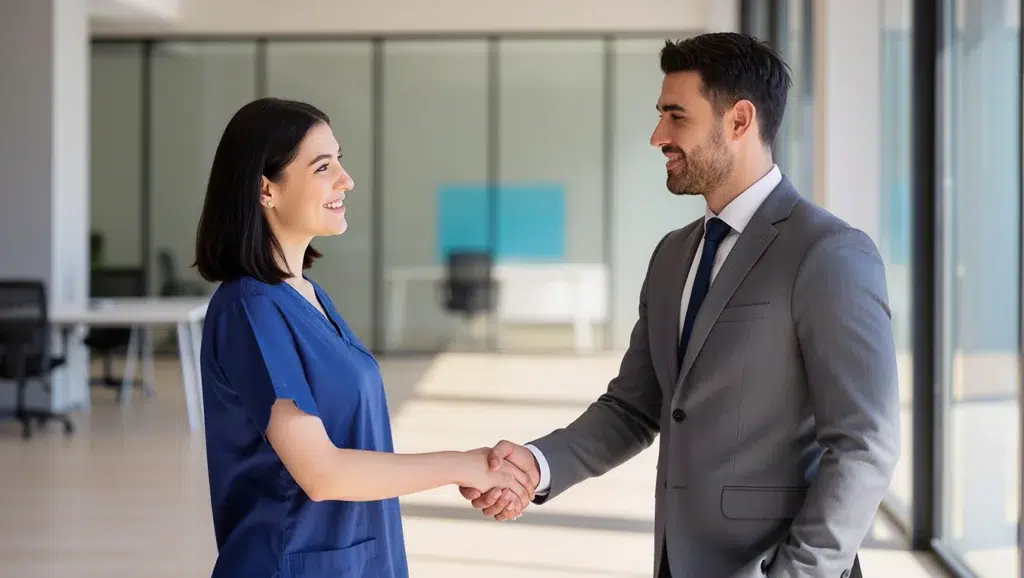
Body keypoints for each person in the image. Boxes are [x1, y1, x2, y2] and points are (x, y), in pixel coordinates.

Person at [460, 32, 899, 578]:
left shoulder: (828, 253)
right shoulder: (672, 254)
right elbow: (633, 408)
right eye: (660, 116)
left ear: (739, 120)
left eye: (676, 117)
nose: (658, 137)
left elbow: (864, 445)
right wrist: (537, 464)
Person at [194, 97, 532, 578]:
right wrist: (464, 464)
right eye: (322, 167)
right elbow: (322, 473)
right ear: (266, 189)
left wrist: (475, 466)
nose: (346, 180)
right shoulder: (250, 309)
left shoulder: (308, 296)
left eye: (340, 160)